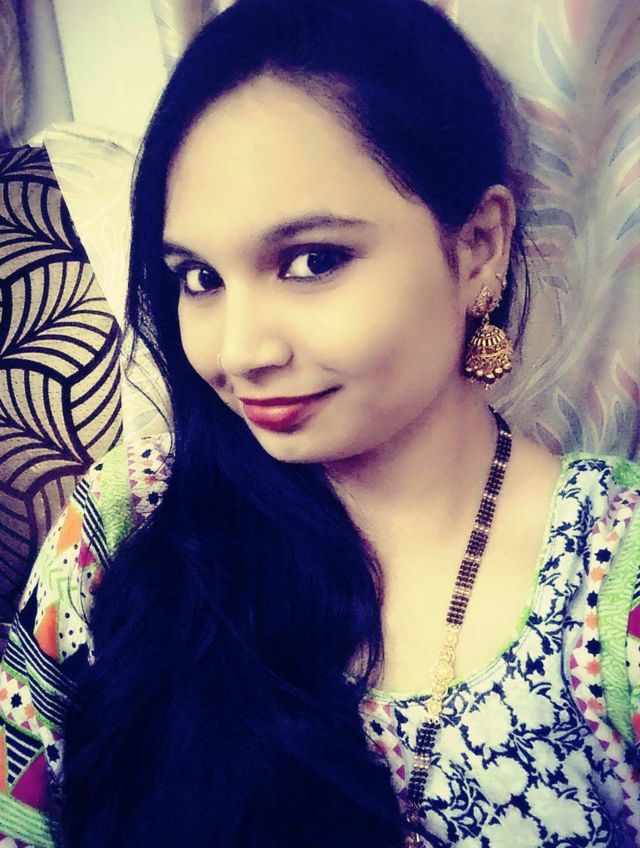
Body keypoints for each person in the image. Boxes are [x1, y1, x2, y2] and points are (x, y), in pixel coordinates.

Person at [0, 0, 638, 845]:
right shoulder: (129, 519)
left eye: (310, 261)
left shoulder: (611, 588)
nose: (239, 352)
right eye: (198, 278)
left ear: (478, 246)